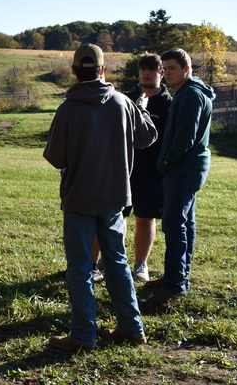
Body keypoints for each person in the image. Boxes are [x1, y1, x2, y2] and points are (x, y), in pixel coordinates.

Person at [43, 44, 157, 352]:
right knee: (118, 262)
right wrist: (141, 107)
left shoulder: (68, 108)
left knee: (80, 267)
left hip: (79, 197)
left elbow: (54, 156)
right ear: (103, 70)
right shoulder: (123, 102)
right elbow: (148, 137)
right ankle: (131, 328)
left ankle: (83, 334)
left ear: (74, 72)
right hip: (116, 197)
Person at [145, 47, 215, 311]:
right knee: (185, 223)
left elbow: (185, 137)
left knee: (175, 225)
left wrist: (165, 161)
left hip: (183, 169)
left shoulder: (191, 96)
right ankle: (176, 276)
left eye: (171, 68)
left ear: (187, 68)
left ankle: (174, 285)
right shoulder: (189, 92)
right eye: (164, 69)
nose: (166, 73)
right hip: (187, 168)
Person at [125, 53, 171, 282]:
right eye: (143, 69)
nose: (146, 73)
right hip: (124, 170)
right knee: (114, 218)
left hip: (152, 174)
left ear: (161, 73)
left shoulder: (168, 103)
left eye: (152, 69)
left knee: (145, 218)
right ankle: (107, 260)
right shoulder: (125, 99)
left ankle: (140, 265)